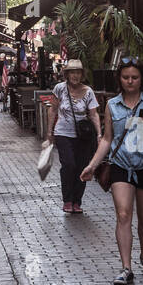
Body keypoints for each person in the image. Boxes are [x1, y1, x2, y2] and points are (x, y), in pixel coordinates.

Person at [81, 56, 143, 285]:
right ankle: (126, 267)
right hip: (121, 165)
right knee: (123, 215)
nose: (130, 81)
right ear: (119, 79)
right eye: (126, 77)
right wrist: (92, 165)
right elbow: (108, 139)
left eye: (135, 77)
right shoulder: (112, 105)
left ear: (142, 79)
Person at [47, 59, 101, 214]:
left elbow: (94, 114)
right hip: (63, 133)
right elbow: (52, 110)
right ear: (67, 74)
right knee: (69, 164)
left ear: (82, 74)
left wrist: (99, 134)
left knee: (82, 167)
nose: (75, 75)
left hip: (83, 136)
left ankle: (77, 201)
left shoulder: (88, 91)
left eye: (78, 72)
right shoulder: (60, 89)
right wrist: (49, 132)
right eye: (72, 72)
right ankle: (67, 200)